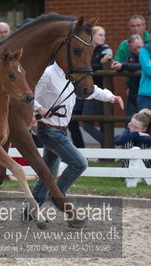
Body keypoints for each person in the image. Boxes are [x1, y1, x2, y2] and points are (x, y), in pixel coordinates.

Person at [27, 61, 123, 216]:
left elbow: (90, 90)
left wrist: (110, 97)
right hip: (50, 131)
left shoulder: (73, 73)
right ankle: (58, 196)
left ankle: (29, 214)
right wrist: (39, 108)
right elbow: (28, 95)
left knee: (48, 176)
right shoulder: (48, 74)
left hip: (61, 131)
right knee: (79, 163)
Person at [82, 26, 113, 147]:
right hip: (89, 90)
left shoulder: (105, 48)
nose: (103, 37)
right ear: (92, 36)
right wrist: (98, 64)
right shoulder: (85, 49)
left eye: (104, 35)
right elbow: (85, 66)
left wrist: (97, 64)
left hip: (103, 89)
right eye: (100, 35)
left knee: (103, 122)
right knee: (87, 125)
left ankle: (107, 149)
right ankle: (110, 144)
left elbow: (107, 60)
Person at [111, 34, 144, 116]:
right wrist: (118, 66)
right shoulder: (131, 55)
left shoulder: (148, 53)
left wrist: (123, 66)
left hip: (145, 92)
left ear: (143, 43)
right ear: (130, 49)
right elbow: (126, 63)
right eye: (134, 49)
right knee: (129, 119)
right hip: (133, 92)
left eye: (139, 47)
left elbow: (143, 65)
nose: (138, 51)